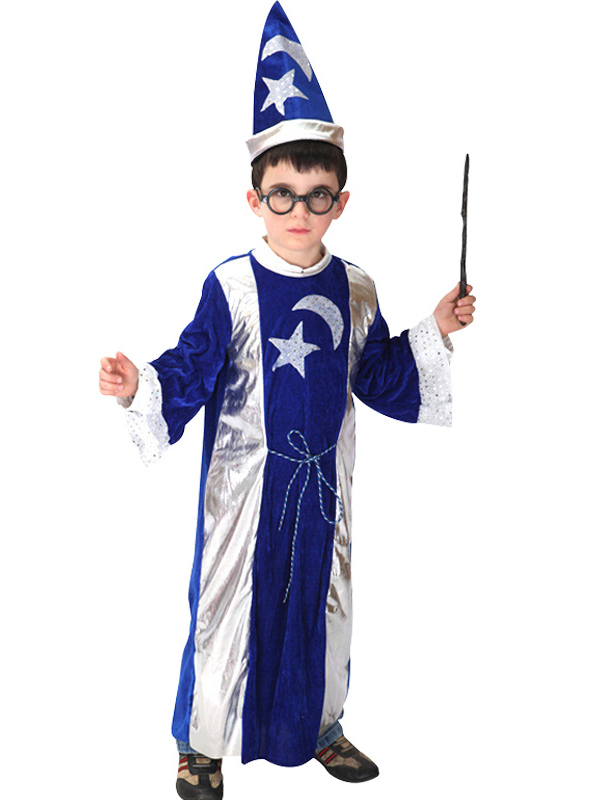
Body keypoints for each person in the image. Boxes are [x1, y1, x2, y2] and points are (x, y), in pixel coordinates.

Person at [99, 5, 476, 800]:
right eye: (282, 195)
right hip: (242, 494)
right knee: (226, 608)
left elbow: (377, 373)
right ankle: (201, 745)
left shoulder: (357, 288)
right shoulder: (232, 286)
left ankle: (318, 726)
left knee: (322, 600)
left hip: (324, 487)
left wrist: (436, 328)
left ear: (342, 201)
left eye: (316, 195)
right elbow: (192, 365)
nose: (299, 212)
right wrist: (141, 388)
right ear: (253, 199)